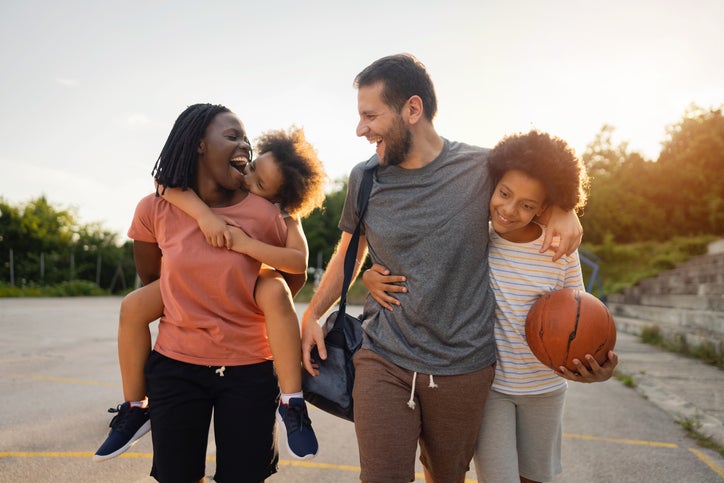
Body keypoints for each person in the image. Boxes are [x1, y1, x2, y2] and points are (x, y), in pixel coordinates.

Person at [300, 54, 583, 483]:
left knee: (446, 476)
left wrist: (567, 209)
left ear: (412, 109)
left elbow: (532, 191)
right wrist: (312, 312)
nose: (361, 129)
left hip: (463, 366)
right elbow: (349, 252)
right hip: (384, 355)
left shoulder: (482, 169)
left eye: (370, 115)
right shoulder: (366, 178)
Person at [364, 130, 619, 483]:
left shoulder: (560, 250)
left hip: (546, 388)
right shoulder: (476, 236)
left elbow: (584, 319)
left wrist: (599, 364)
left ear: (545, 206)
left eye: (528, 205)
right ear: (492, 184)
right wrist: (369, 277)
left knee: (536, 478)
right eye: (504, 193)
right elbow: (421, 263)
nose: (509, 210)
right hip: (491, 387)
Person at [93, 126, 326, 463]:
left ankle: (291, 401)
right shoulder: (195, 192)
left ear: (278, 200)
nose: (247, 178)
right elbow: (163, 185)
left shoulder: (282, 216)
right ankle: (134, 406)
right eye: (252, 168)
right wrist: (204, 216)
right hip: (191, 283)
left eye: (259, 184)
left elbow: (298, 264)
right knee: (132, 306)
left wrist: (246, 245)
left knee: (274, 290)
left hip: (247, 282)